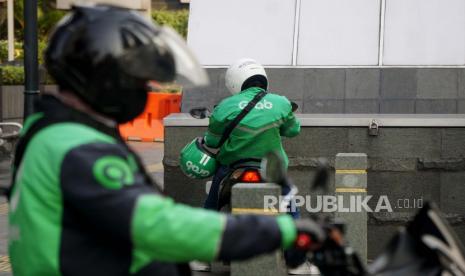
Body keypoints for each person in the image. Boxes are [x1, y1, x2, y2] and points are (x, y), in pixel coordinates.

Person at [8, 5, 326, 276]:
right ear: (105, 76)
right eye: (137, 76)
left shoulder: (47, 129)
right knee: (283, 203)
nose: (145, 87)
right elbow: (158, 226)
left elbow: (212, 141)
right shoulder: (78, 149)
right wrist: (284, 230)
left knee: (214, 198)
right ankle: (298, 262)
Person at [203, 58, 300, 215]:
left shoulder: (224, 106)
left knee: (213, 203)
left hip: (233, 167)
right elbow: (293, 131)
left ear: (233, 82)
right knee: (290, 204)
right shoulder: (281, 102)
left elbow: (212, 142)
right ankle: (296, 233)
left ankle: (207, 232)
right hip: (271, 167)